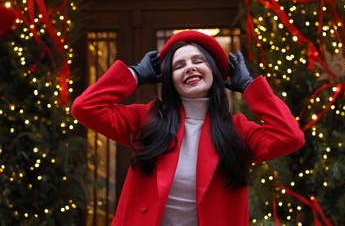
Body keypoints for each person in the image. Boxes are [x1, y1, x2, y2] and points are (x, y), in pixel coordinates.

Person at [71, 30, 305, 226]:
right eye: (179, 65)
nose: (189, 68)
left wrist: (250, 86)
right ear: (170, 79)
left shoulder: (236, 130)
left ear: (213, 70)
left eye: (198, 61)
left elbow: (291, 136)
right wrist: (134, 75)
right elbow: (85, 108)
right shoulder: (146, 119)